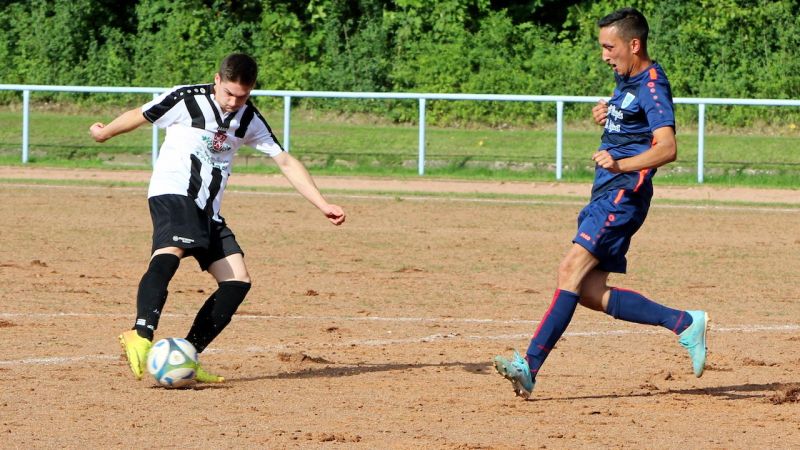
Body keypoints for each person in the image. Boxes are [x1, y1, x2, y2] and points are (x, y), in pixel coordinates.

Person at [89, 53, 346, 383]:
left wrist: (322, 203)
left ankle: (188, 355)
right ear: (217, 80)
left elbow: (285, 161)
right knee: (171, 252)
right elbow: (140, 115)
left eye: (243, 95)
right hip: (174, 192)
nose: (233, 102)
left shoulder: (249, 118)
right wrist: (104, 133)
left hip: (207, 210)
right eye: (229, 93)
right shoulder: (186, 98)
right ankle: (140, 333)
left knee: (237, 280)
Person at [493, 8, 708, 399]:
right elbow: (632, 122)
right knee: (590, 291)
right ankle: (683, 322)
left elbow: (668, 148)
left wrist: (621, 162)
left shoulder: (653, 85)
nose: (605, 55)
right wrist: (608, 114)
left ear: (634, 44)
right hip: (606, 190)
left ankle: (529, 365)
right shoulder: (625, 77)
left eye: (610, 47)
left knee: (569, 268)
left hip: (624, 192)